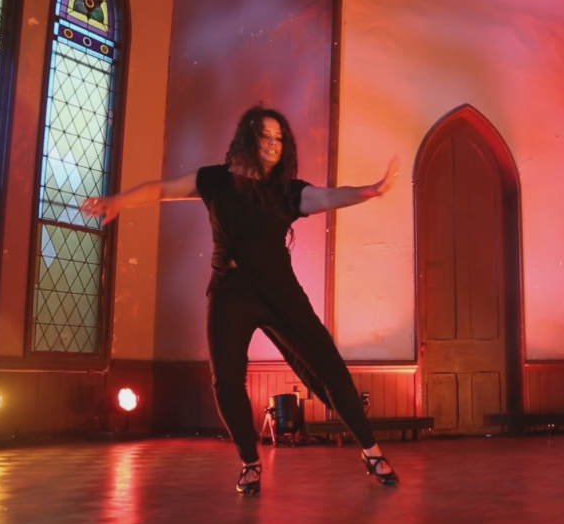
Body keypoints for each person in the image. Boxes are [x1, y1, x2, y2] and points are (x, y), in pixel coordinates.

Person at [83, 105, 400, 494]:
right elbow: (162, 189)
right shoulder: (213, 181)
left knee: (328, 366)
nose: (272, 143)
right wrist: (119, 200)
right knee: (226, 381)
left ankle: (371, 451)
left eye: (279, 138)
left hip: (278, 291)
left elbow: (330, 195)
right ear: (247, 139)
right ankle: (250, 461)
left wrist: (370, 190)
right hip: (230, 291)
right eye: (265, 136)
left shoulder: (288, 191)